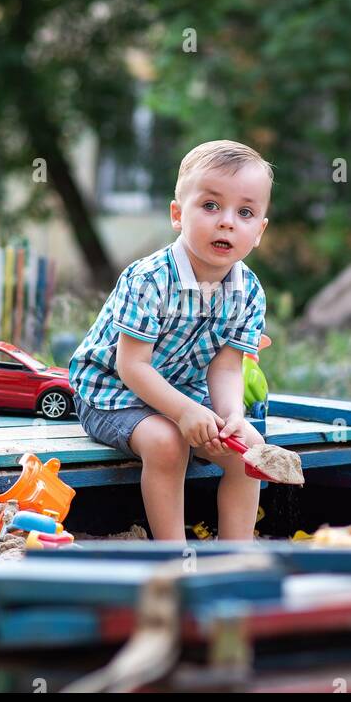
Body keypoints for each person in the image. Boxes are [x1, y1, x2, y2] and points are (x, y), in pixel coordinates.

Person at [69, 140, 271, 540]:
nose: (227, 222)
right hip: (113, 393)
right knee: (167, 443)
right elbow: (132, 366)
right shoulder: (149, 279)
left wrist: (231, 414)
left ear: (260, 230)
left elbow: (227, 365)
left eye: (245, 212)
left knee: (248, 447)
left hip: (185, 392)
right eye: (211, 206)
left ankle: (235, 554)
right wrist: (183, 413)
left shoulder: (248, 290)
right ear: (178, 214)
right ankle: (174, 554)